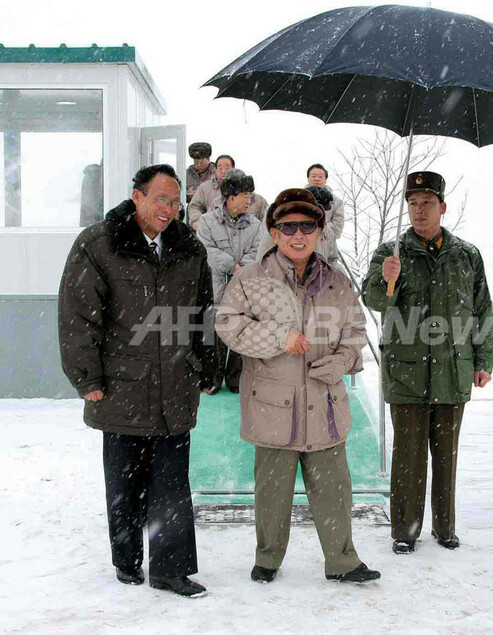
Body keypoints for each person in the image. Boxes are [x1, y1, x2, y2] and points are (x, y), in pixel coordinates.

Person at [58, 164, 215, 598]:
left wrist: (207, 362)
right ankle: (127, 560)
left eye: (175, 201)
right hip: (121, 384)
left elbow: (202, 311)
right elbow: (78, 317)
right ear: (137, 196)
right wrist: (85, 376)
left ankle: (170, 568)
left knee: (171, 483)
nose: (169, 209)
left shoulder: (189, 248)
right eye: (160, 199)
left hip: (176, 384)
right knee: (124, 481)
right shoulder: (99, 244)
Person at [216, 188, 381, 585]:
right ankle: (268, 558)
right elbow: (228, 325)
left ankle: (342, 561)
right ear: (273, 232)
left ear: (320, 231)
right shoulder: (251, 280)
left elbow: (356, 330)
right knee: (272, 492)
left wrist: (341, 361)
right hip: (273, 403)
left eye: (307, 225)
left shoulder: (338, 283)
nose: (297, 234)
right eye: (287, 226)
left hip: (324, 401)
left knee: (334, 489)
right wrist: (278, 338)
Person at [361, 170, 493, 555]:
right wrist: (388, 279)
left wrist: (484, 358)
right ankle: (405, 531)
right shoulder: (391, 253)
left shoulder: (466, 254)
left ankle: (445, 527)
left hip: (453, 368)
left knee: (446, 454)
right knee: (408, 456)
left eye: (427, 204)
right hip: (406, 370)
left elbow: (482, 309)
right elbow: (374, 300)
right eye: (413, 204)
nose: (419, 211)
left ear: (442, 207)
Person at [196, 169, 264, 394]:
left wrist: (242, 267)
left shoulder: (255, 225)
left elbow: (258, 250)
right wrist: (230, 264)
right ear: (230, 197)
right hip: (215, 285)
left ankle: (235, 380)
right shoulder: (207, 221)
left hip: (243, 288)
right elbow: (205, 248)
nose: (249, 199)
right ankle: (213, 379)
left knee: (240, 331)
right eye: (245, 194)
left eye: (250, 195)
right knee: (214, 333)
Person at [255, 185, 340, 270]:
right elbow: (262, 261)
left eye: (326, 210)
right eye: (321, 209)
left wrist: (335, 274)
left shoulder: (328, 232)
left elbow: (333, 259)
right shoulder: (281, 230)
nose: (324, 213)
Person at [187, 155, 268, 229]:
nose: (223, 171)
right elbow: (195, 207)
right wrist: (198, 222)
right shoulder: (210, 194)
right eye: (220, 168)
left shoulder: (257, 201)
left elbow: (267, 222)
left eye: (227, 168)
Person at [306, 163, 345, 239]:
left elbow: (337, 230)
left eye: (320, 176)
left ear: (325, 180)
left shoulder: (336, 202)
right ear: (308, 179)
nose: (317, 179)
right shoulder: (297, 199)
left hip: (326, 247)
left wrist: (311, 227)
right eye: (313, 176)